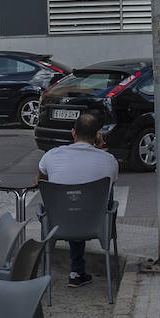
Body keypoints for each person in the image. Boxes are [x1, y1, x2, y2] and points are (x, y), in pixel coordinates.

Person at [36, 110, 118, 287]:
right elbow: (111, 183)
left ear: (73, 132)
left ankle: (76, 271)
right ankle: (77, 271)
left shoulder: (51, 155)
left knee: (69, 201)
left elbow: (39, 182)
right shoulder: (109, 160)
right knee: (101, 195)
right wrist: (101, 147)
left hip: (58, 224)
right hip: (95, 223)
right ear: (97, 135)